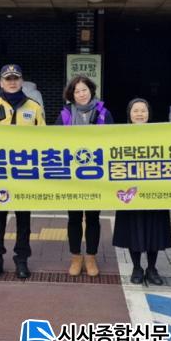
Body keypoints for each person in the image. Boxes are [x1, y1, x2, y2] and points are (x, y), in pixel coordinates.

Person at [0, 64, 45, 279]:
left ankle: (22, 259)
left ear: (21, 81)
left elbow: (44, 139)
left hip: (24, 171)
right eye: (8, 79)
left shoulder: (34, 107)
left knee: (23, 218)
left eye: (15, 78)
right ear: (1, 83)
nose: (12, 82)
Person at [56, 75, 113, 276]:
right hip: (72, 176)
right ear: (71, 95)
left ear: (91, 91)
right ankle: (75, 257)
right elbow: (54, 142)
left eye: (85, 90)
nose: (81, 94)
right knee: (73, 217)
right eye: (77, 91)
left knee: (93, 217)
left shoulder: (104, 113)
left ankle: (90, 257)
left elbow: (113, 141)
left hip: (95, 175)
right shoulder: (64, 115)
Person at [113, 98, 171, 285]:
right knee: (133, 229)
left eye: (143, 110)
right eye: (135, 110)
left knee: (154, 229)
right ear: (129, 114)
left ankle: (152, 268)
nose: (139, 114)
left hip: (154, 191)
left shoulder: (160, 135)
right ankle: (137, 267)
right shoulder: (119, 135)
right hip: (130, 191)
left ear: (149, 113)